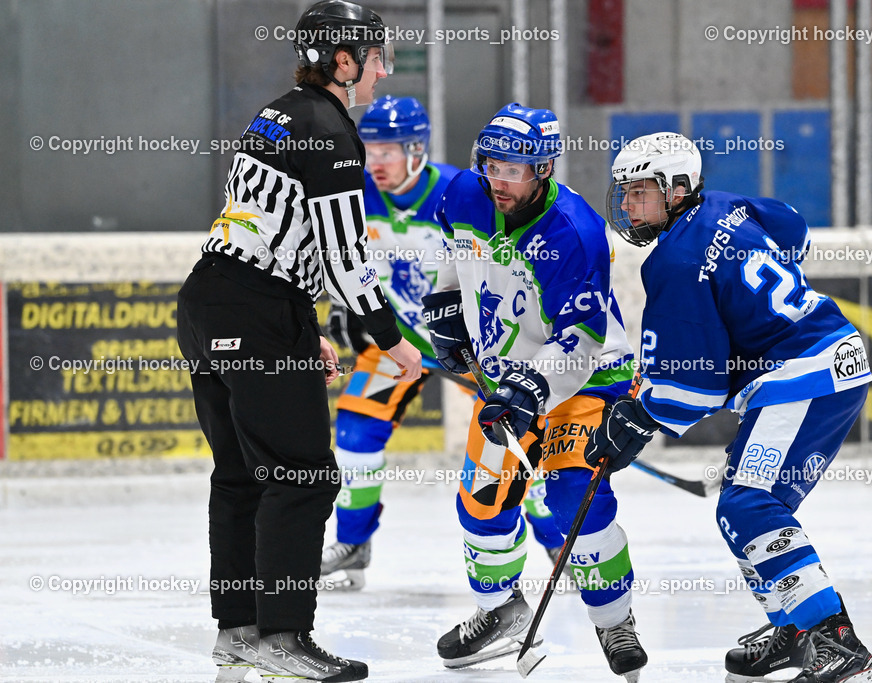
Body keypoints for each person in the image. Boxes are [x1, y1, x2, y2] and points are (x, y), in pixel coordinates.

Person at [176, 2, 421, 681]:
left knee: (242, 476)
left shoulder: (278, 113)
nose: (379, 73)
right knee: (305, 473)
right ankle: (283, 637)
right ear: (341, 63)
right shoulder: (329, 130)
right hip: (254, 312)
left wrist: (302, 322)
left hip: (210, 301)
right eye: (373, 59)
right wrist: (391, 339)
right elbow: (345, 254)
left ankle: (240, 633)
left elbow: (267, 227)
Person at [587, 132, 872, 683]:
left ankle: (835, 639)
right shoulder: (726, 206)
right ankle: (795, 630)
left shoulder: (674, 260)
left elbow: (693, 388)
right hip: (823, 361)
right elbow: (793, 228)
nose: (626, 205)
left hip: (804, 376)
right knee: (740, 507)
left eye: (639, 192)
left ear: (676, 190)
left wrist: (639, 418)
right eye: (622, 192)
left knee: (747, 505)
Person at [422, 103, 648, 682]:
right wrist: (444, 304)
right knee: (481, 502)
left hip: (586, 378)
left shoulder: (576, 232)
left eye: (515, 169)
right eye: (492, 164)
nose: (499, 179)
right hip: (507, 380)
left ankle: (614, 620)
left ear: (544, 170)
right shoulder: (462, 196)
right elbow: (456, 256)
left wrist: (532, 385)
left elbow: (581, 338)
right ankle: (500, 612)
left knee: (577, 501)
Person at [319, 95, 569, 590]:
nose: (376, 162)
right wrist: (343, 308)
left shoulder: (461, 193)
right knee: (353, 434)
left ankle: (559, 543)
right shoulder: (356, 195)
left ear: (417, 150)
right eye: (368, 149)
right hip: (403, 343)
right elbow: (339, 259)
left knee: (515, 445)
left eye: (387, 150)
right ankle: (353, 541)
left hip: (474, 349)